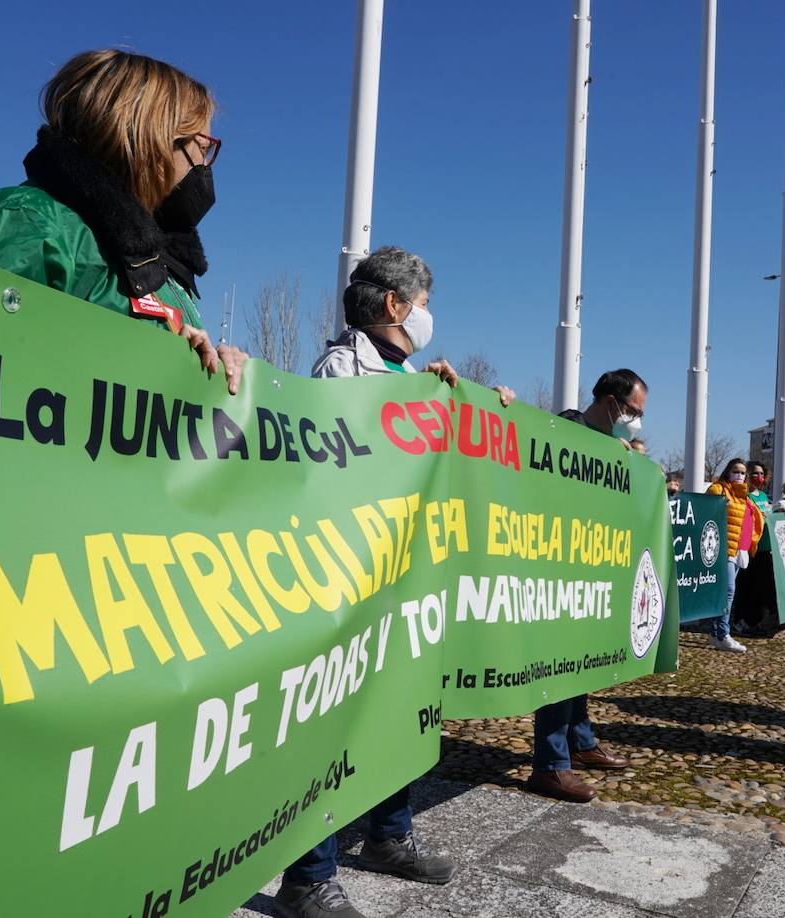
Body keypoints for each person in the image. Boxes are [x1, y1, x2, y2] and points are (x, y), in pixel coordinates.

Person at [282, 247, 514, 918]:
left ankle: (389, 836)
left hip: (405, 577)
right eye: (424, 300)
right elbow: (327, 470)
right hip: (348, 577)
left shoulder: (411, 374)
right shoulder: (340, 369)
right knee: (334, 724)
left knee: (398, 714)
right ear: (394, 304)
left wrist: (474, 407)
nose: (427, 314)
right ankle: (308, 875)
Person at [0, 49, 246, 394]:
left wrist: (205, 375)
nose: (206, 165)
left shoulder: (154, 265)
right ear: (154, 139)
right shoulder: (30, 223)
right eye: (204, 145)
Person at [525, 370, 641, 804]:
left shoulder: (610, 445)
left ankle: (581, 740)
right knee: (558, 665)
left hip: (589, 570)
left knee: (579, 664)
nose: (636, 421)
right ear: (612, 403)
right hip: (558, 571)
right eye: (633, 411)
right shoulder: (565, 432)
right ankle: (550, 765)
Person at [704, 458, 765, 652]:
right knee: (728, 592)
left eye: (742, 473)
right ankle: (723, 634)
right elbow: (706, 512)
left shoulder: (745, 497)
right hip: (723, 550)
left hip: (740, 549)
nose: (739, 475)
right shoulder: (718, 489)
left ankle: (714, 633)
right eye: (735, 471)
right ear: (728, 472)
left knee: (723, 593)